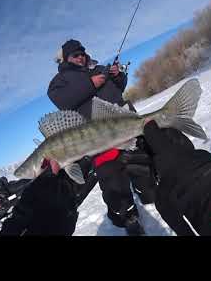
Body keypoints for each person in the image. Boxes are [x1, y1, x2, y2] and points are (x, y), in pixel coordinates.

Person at [0, 120, 211, 236]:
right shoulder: (64, 83)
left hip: (114, 135)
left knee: (147, 172)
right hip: (101, 146)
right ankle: (133, 212)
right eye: (77, 56)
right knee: (118, 181)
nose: (83, 59)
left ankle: (152, 198)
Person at [46, 39, 157, 235]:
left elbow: (118, 89)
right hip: (98, 137)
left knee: (142, 162)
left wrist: (118, 76)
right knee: (111, 177)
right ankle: (126, 215)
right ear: (65, 59)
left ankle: (146, 191)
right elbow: (63, 101)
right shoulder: (59, 82)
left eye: (82, 53)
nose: (80, 57)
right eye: (75, 55)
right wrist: (91, 83)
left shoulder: (97, 68)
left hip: (125, 123)